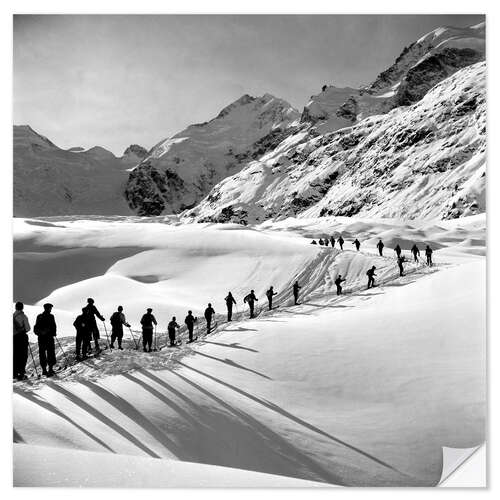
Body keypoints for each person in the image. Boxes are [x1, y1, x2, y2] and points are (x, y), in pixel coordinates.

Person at [33, 303, 57, 377]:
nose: (51, 309)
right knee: (51, 353)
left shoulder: (39, 316)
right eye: (50, 308)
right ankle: (50, 369)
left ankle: (44, 370)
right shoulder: (51, 316)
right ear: (49, 308)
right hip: (49, 338)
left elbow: (36, 327)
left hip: (41, 338)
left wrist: (41, 333)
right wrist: (53, 333)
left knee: (42, 354)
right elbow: (54, 326)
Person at [13, 302, 30, 380]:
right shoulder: (23, 316)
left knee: (15, 355)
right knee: (23, 355)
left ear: (15, 307)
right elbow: (28, 328)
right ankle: (21, 373)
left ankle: (14, 373)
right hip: (22, 338)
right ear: (22, 307)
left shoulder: (12, 316)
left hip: (13, 338)